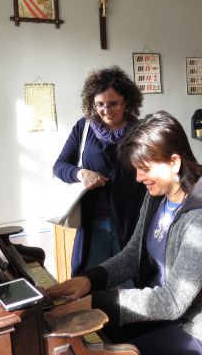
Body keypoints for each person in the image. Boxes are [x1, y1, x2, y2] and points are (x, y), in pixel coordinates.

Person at [46, 111, 202, 355]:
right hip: (172, 311)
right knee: (101, 334)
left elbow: (173, 301)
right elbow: (132, 255)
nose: (139, 178)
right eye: (136, 169)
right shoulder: (157, 197)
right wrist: (90, 280)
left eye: (144, 169)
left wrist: (96, 302)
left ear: (174, 162)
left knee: (111, 349)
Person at [53, 66, 146, 275]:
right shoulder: (84, 127)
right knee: (89, 283)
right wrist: (81, 174)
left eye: (113, 104)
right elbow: (60, 166)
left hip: (131, 223)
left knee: (129, 283)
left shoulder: (141, 131)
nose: (106, 110)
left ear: (126, 101)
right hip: (93, 225)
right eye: (100, 104)